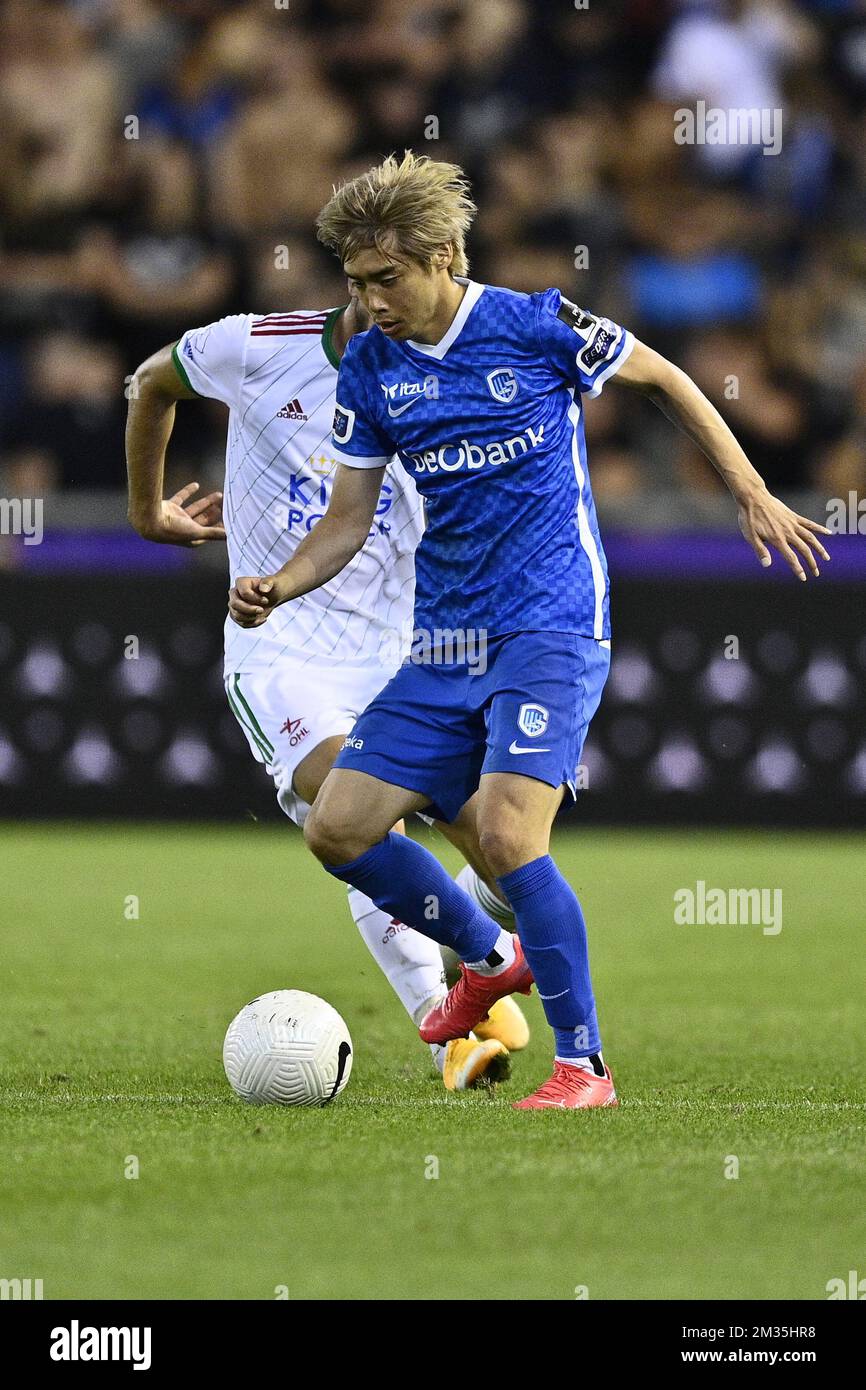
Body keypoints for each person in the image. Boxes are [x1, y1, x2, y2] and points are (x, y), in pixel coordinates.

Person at [228, 152, 831, 1110]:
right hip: (443, 644)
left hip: (549, 626)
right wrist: (278, 583)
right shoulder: (373, 371)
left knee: (509, 836)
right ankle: (486, 956)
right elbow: (345, 522)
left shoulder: (535, 324)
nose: (370, 302)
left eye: (387, 279)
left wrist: (751, 491)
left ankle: (583, 1066)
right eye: (354, 283)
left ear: (445, 256)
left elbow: (668, 378)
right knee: (339, 829)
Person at [125, 292, 530, 1094]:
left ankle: (474, 921)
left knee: (506, 854)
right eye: (369, 275)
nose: (386, 296)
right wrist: (146, 512)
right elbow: (148, 383)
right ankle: (456, 1014)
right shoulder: (256, 347)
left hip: (411, 650)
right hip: (285, 652)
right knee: (351, 808)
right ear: (351, 275)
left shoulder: (467, 376)